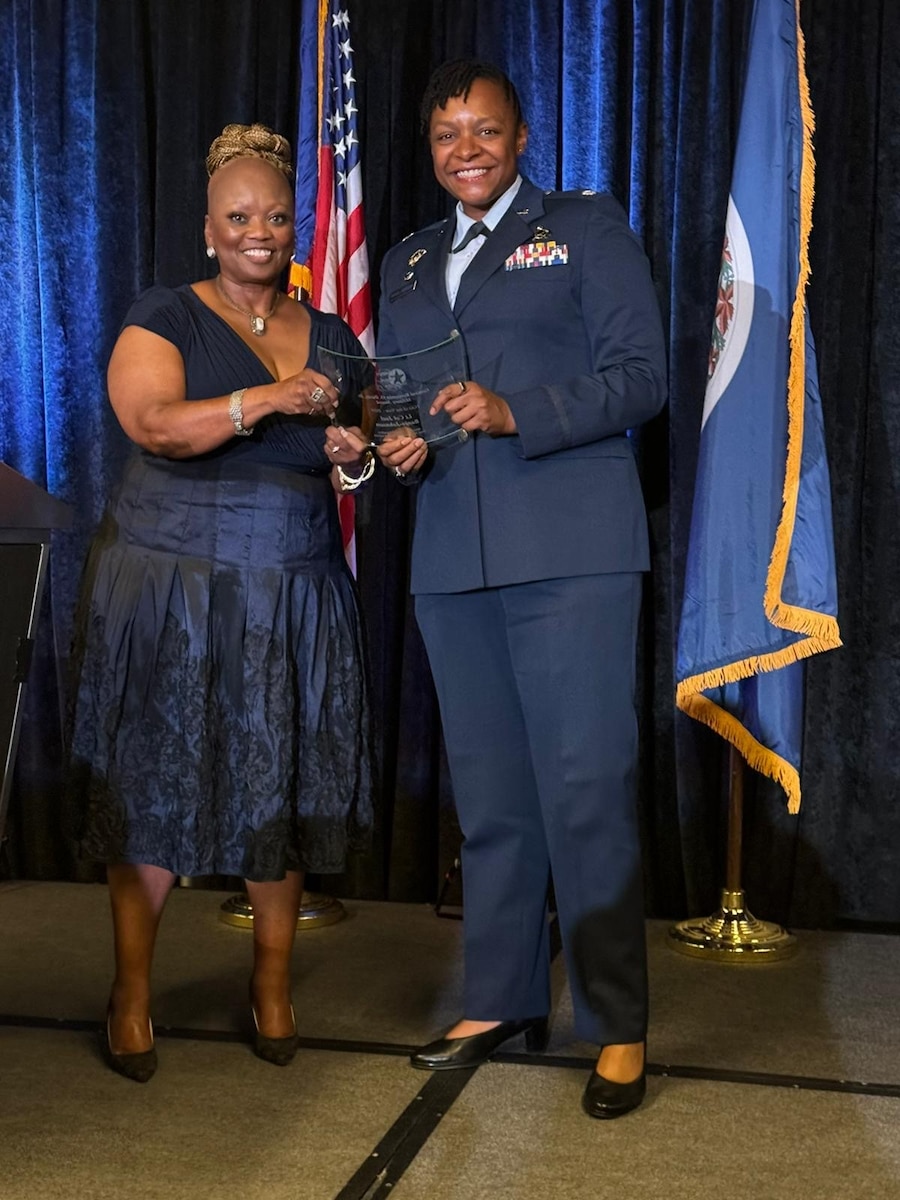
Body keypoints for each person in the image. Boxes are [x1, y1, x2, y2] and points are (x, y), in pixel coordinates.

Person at [375, 60, 667, 1119]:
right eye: (448, 133)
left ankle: (617, 1024)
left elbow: (642, 378)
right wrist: (389, 446)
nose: (467, 149)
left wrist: (517, 411)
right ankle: (499, 998)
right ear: (432, 145)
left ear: (523, 136)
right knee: (494, 801)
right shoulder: (405, 262)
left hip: (574, 552)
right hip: (453, 559)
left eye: (485, 131)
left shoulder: (585, 229)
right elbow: (399, 408)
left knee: (584, 791)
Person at [66, 123, 375, 1082]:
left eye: (277, 217)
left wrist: (351, 452)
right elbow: (153, 423)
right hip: (169, 583)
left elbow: (360, 434)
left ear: (296, 229)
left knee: (272, 786)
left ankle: (272, 986)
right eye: (239, 216)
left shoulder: (328, 332)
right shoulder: (165, 312)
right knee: (153, 783)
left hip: (292, 588)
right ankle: (131, 993)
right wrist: (272, 404)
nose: (259, 231)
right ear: (208, 227)